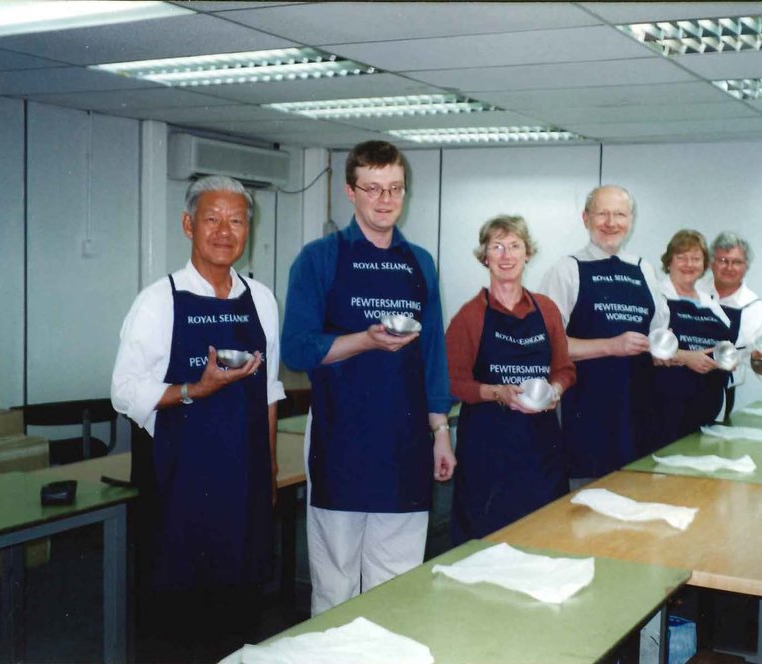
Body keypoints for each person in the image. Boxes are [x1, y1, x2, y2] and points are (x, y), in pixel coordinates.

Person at [111, 175, 284, 662]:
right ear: (189, 225)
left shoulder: (262, 299)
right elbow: (122, 391)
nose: (224, 231)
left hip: (245, 483)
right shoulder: (159, 300)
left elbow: (269, 389)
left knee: (241, 618)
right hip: (180, 485)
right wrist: (193, 389)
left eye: (236, 220)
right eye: (212, 219)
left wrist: (269, 470)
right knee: (181, 625)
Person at [281, 140, 455, 615]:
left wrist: (441, 431)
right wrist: (364, 339)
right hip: (341, 440)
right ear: (350, 191)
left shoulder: (419, 262)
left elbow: (433, 353)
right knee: (336, 583)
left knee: (398, 586)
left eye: (394, 188)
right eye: (373, 188)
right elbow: (296, 348)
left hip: (404, 444)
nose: (385, 199)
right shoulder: (320, 258)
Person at [446, 215, 575, 543]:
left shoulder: (546, 310)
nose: (506, 255)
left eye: (515, 246)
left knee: (544, 539)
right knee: (484, 547)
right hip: (488, 452)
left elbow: (565, 369)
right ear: (485, 256)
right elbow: (452, 381)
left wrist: (555, 390)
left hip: (541, 449)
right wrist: (496, 392)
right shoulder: (469, 316)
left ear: (527, 253)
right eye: (497, 247)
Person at [540, 185, 670, 487]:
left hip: (639, 421)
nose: (611, 222)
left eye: (620, 214)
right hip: (585, 422)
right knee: (585, 521)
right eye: (602, 213)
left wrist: (668, 351)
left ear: (631, 220)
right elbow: (548, 346)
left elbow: (659, 336)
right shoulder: (567, 270)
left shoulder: (645, 271)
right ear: (586, 218)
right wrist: (611, 346)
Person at [650, 229, 736, 448]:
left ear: (704, 264)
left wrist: (730, 360)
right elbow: (646, 348)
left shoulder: (710, 302)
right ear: (669, 261)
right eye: (682, 257)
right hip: (666, 410)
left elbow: (727, 344)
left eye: (696, 258)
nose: (689, 264)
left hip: (707, 407)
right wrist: (685, 357)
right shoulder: (656, 296)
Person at [699, 231, 762, 419]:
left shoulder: (755, 308)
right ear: (711, 263)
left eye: (737, 262)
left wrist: (761, 359)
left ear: (746, 266)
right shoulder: (692, 292)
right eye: (723, 260)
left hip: (715, 396)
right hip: (673, 387)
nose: (729, 267)